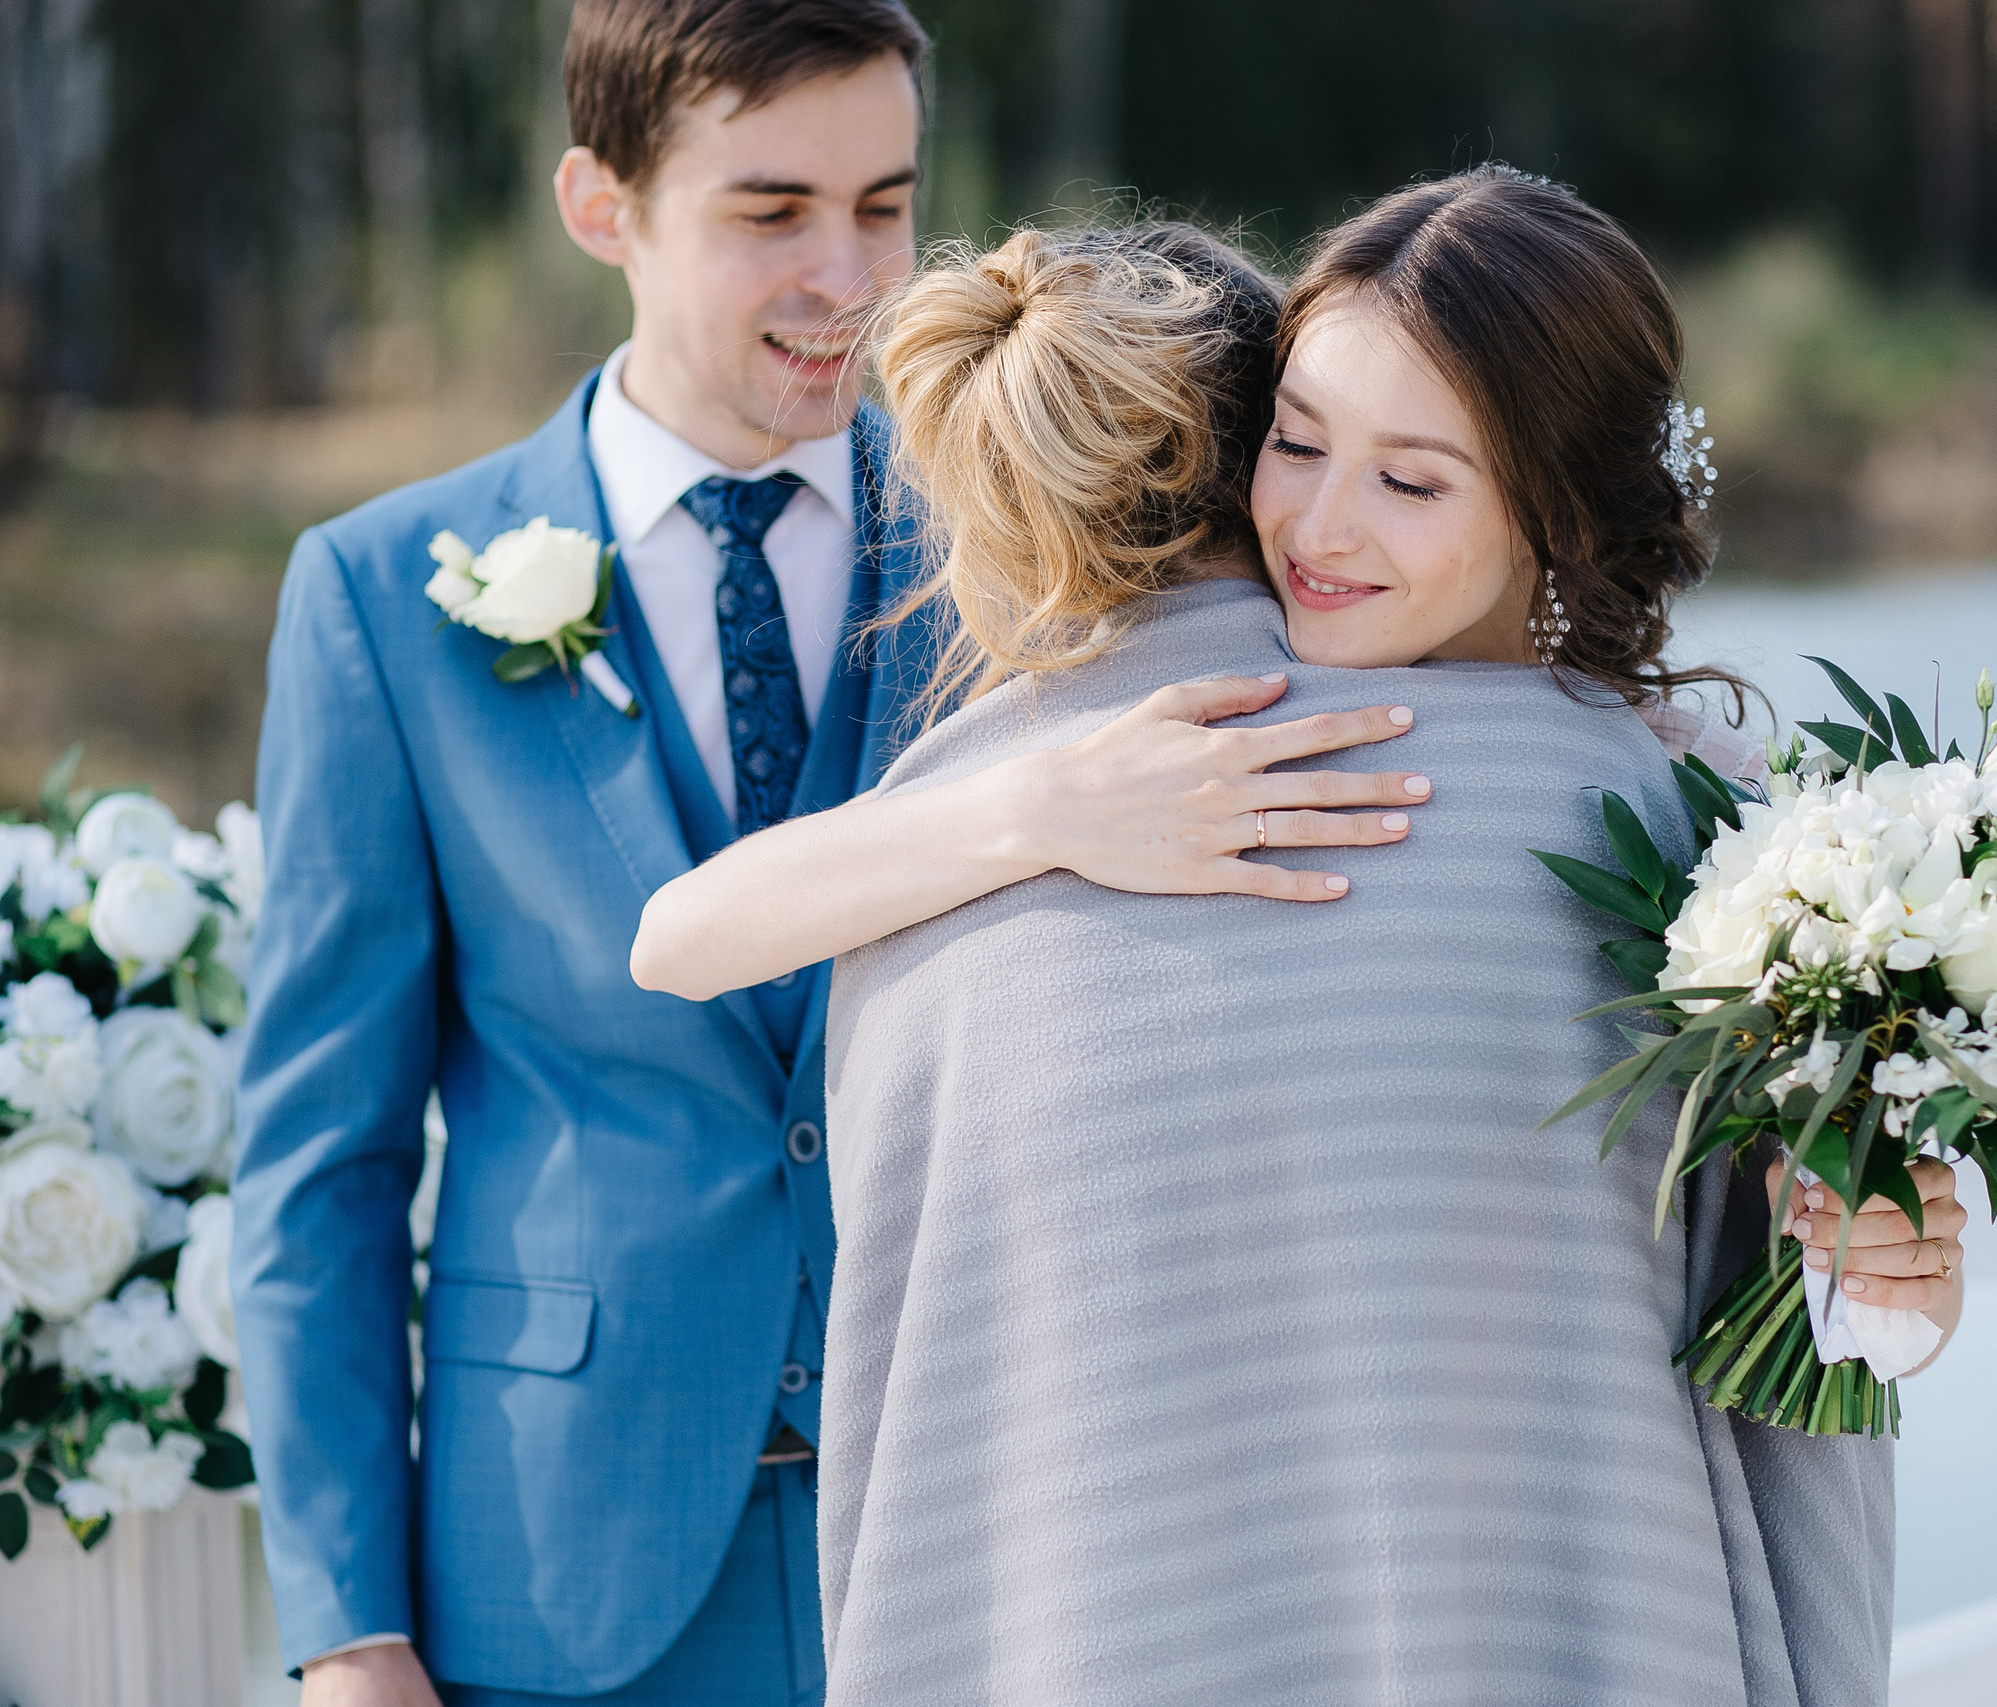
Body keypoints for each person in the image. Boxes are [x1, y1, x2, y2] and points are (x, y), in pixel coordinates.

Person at [642, 173, 1961, 1703]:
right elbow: (678, 937)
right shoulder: (1645, 807)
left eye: (1413, 482)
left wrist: (1887, 1258)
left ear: (1562, 507)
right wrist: (1043, 809)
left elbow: (1830, 1297)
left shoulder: (1736, 863)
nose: (1324, 529)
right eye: (1299, 443)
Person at [226, 4, 1402, 1702]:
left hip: (990, 1530)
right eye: (772, 213)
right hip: (564, 1580)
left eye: (882, 204)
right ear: (600, 205)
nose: (847, 276)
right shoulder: (378, 595)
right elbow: (317, 1166)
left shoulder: (1038, 541)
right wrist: (350, 1635)